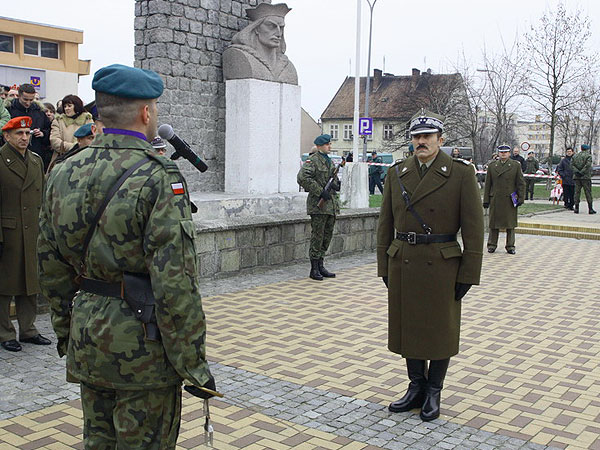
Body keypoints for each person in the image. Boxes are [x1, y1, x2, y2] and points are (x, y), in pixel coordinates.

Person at [37, 64, 215, 449]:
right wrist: (193, 365)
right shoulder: (158, 177)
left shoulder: (63, 174)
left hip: (89, 337)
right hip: (143, 349)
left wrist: (68, 331)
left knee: (97, 442)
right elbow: (176, 283)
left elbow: (50, 265)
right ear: (146, 113)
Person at [377, 109, 483, 422]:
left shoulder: (461, 174)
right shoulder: (397, 173)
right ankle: (415, 387)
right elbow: (385, 223)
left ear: (441, 139)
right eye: (416, 137)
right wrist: (384, 265)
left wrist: (469, 272)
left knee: (440, 329)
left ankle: (434, 389)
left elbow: (474, 228)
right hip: (404, 262)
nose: (421, 142)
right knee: (409, 326)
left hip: (442, 263)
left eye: (427, 136)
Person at [0, 116, 51, 352]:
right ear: (6, 136)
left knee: (31, 282)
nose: (24, 138)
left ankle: (28, 329)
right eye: (19, 134)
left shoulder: (35, 160)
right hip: (8, 232)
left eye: (27, 134)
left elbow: (41, 199)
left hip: (32, 230)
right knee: (6, 285)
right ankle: (4, 332)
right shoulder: (1, 160)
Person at [297, 133, 340, 281]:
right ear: (320, 146)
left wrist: (336, 184)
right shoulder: (313, 160)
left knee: (327, 236)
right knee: (317, 236)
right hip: (319, 206)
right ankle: (314, 268)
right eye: (327, 144)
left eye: (330, 144)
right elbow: (302, 178)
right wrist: (320, 191)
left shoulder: (330, 162)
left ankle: (321, 264)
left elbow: (333, 179)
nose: (330, 146)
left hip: (330, 206)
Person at [222, 3, 298, 85]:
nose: (279, 33)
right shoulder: (238, 56)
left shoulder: (288, 67)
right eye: (271, 26)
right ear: (256, 28)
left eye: (281, 27)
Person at [483, 144, 526, 254]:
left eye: (505, 152)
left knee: (510, 224)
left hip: (509, 199)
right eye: (501, 152)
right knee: (493, 223)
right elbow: (488, 184)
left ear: (509, 153)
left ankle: (510, 246)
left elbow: (520, 183)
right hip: (496, 198)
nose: (503, 154)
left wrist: (521, 197)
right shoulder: (492, 166)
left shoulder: (515, 165)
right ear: (498, 153)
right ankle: (492, 245)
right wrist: (486, 200)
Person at [6, 84, 51, 170]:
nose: (28, 103)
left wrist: (43, 134)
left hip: (35, 153)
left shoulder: (39, 111)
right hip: (13, 154)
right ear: (19, 96)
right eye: (25, 99)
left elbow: (49, 129)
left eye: (31, 100)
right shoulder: (9, 109)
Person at [49, 94, 93, 169]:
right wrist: (74, 147)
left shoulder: (87, 119)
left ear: (76, 106)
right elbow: (54, 140)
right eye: (65, 106)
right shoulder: (58, 121)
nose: (67, 108)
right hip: (63, 158)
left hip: (84, 158)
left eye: (69, 106)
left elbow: (91, 138)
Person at [571, 144, 596, 214]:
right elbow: (588, 165)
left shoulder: (575, 156)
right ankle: (590, 209)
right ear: (587, 149)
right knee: (588, 193)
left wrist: (577, 172)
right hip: (585, 177)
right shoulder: (588, 156)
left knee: (577, 192)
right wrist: (582, 172)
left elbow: (571, 165)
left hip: (576, 177)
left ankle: (576, 208)